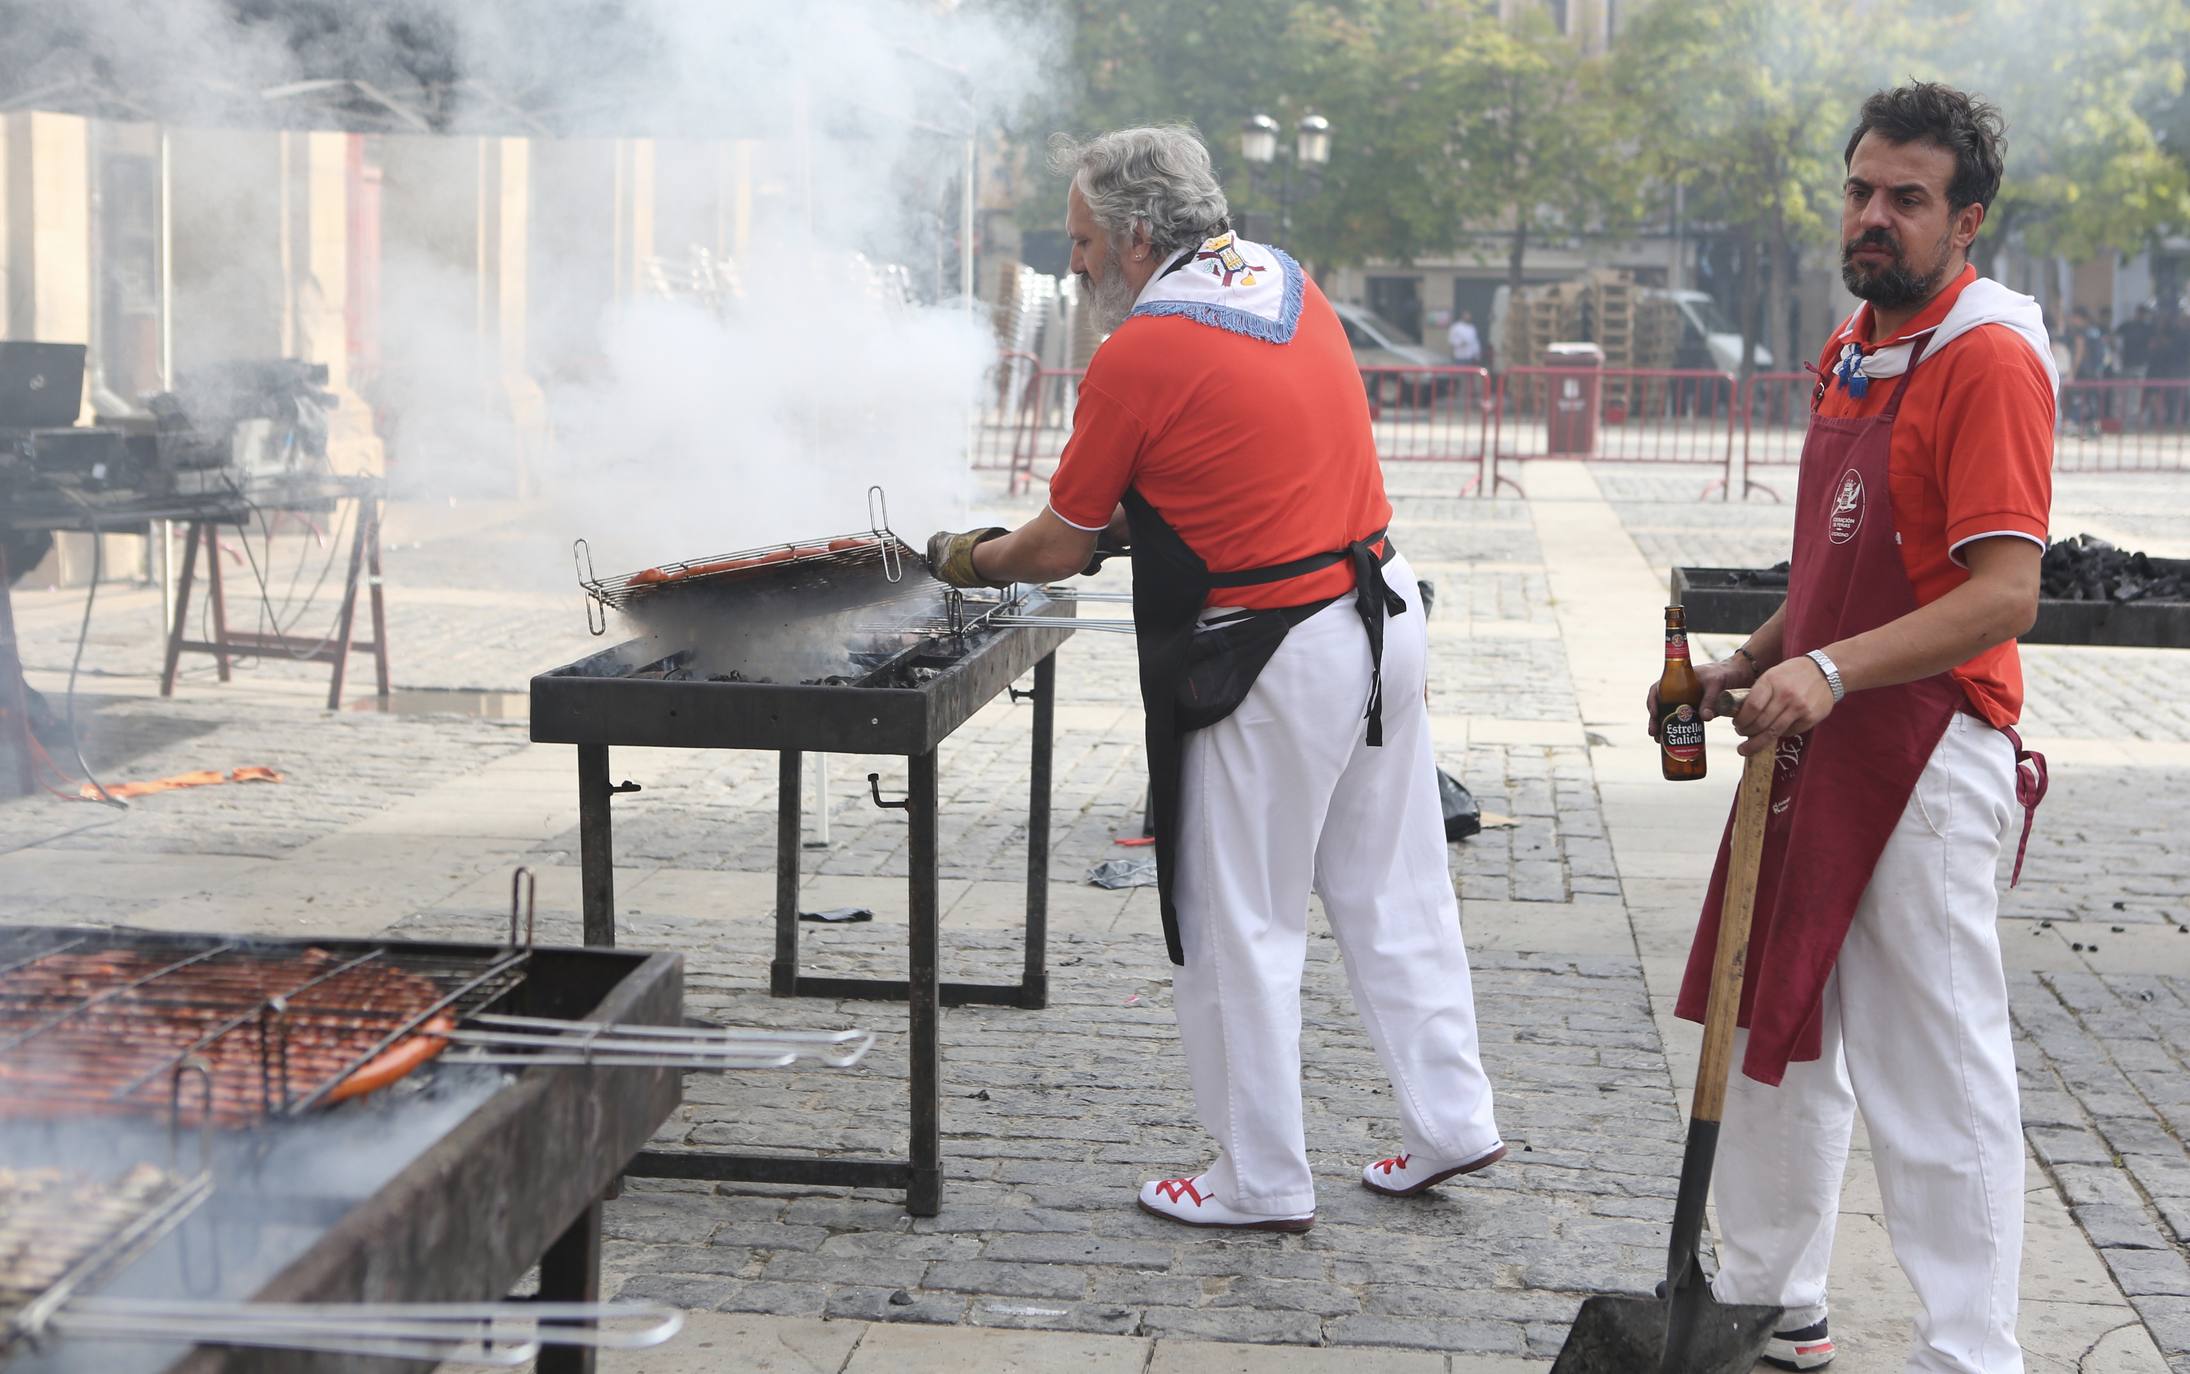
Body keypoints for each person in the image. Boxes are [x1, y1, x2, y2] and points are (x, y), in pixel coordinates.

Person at [927, 126, 1501, 1232]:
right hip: (1380, 609)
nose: (1076, 263)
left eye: (1085, 241)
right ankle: (1453, 1121)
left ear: (1139, 239)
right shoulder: (1284, 275)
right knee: (1396, 888)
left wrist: (970, 554)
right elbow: (1240, 453)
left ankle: (1260, 1177)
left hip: (1272, 652)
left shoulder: (1136, 351)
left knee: (1238, 914)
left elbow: (1059, 542)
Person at [1646, 83, 2052, 1372]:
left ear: (1967, 219)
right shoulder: (1858, 343)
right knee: (1774, 1031)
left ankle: (1971, 1352)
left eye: (1908, 199)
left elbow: (2003, 595)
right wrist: (1753, 660)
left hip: (1928, 752)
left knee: (1937, 1075)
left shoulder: (1986, 355)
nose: (1874, 217)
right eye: (1862, 190)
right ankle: (1777, 1305)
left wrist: (1824, 667)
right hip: (1816, 732)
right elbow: (1838, 559)